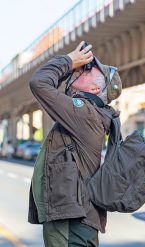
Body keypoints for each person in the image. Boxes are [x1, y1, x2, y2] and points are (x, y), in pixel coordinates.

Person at [28, 41, 122, 247]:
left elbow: (40, 82)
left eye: (87, 71)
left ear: (95, 88)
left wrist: (69, 61)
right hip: (73, 216)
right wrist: (71, 69)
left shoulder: (84, 113)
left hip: (72, 222)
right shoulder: (88, 114)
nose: (79, 70)